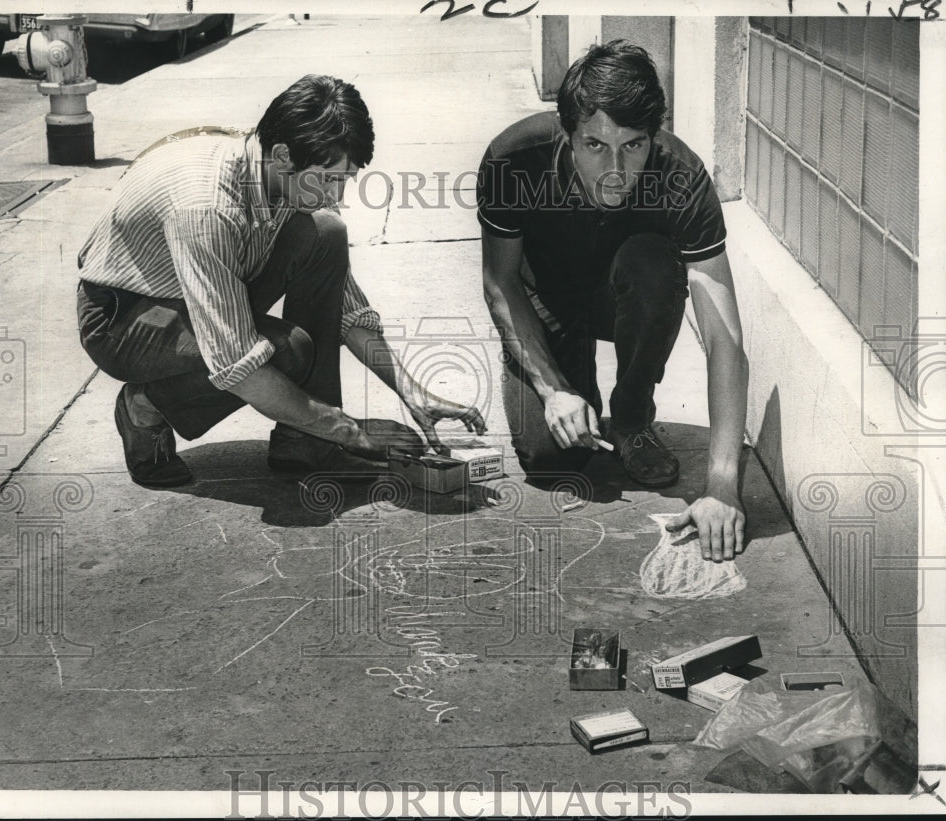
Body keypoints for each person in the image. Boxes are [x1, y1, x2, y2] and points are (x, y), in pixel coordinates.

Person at [77, 74, 485, 488]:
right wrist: (352, 430)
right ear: (284, 154)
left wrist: (412, 392)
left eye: (345, 180)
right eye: (328, 179)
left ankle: (305, 441)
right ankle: (144, 407)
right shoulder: (206, 206)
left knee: (326, 231)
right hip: (123, 319)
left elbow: (348, 308)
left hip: (188, 292)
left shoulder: (273, 170)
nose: (336, 194)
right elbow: (237, 364)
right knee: (285, 351)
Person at [478, 41, 748, 562]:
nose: (616, 169)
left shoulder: (681, 176)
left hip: (625, 295)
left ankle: (630, 417)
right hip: (545, 301)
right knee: (550, 460)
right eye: (595, 145)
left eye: (633, 145)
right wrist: (553, 389)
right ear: (567, 135)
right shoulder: (514, 158)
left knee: (652, 261)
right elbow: (500, 282)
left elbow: (723, 338)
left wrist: (721, 484)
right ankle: (569, 379)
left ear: (653, 137)